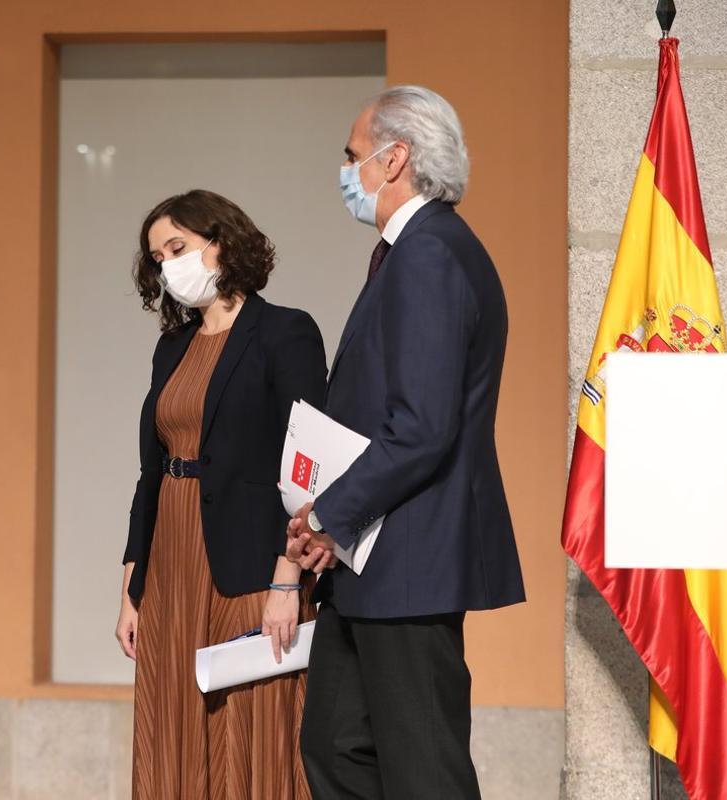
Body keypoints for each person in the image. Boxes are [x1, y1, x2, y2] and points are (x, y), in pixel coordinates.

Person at [286, 86, 526, 799]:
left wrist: (329, 514)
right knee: (334, 744)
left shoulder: (429, 253)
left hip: (410, 557)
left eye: (353, 155)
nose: (345, 170)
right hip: (370, 558)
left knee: (424, 768)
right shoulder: (407, 252)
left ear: (396, 159)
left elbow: (422, 428)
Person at [117, 189, 327, 798]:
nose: (169, 266)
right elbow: (149, 474)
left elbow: (309, 468)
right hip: (171, 566)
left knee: (252, 737)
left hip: (251, 565)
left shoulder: (285, 331)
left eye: (178, 247)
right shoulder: (173, 346)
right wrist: (133, 587)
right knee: (171, 733)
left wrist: (288, 581)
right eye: (158, 258)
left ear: (223, 241)